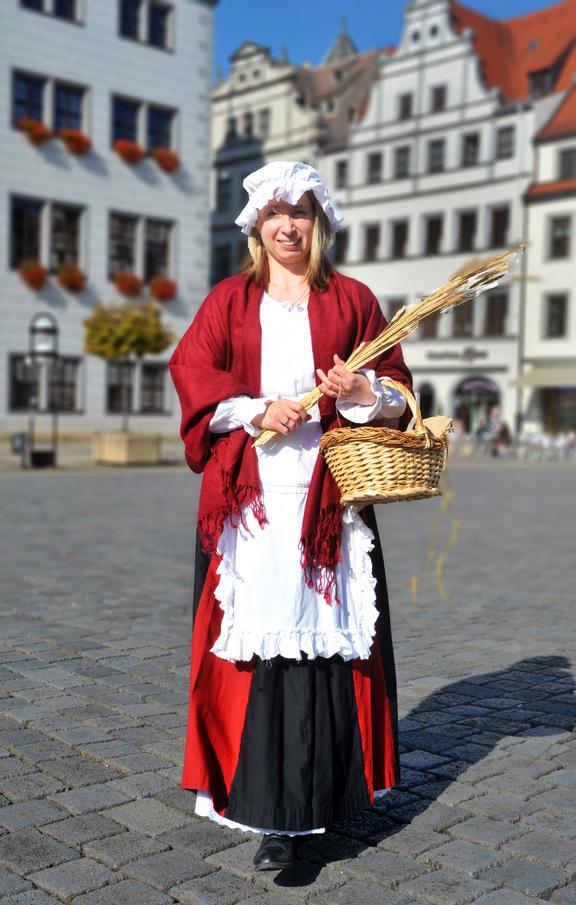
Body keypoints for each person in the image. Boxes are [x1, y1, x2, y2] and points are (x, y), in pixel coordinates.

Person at [169, 160, 413, 871]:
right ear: (256, 226)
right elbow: (194, 376)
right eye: (275, 213)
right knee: (259, 655)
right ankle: (269, 811)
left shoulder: (355, 301)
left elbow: (398, 392)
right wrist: (253, 408)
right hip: (250, 510)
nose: (287, 226)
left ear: (321, 222)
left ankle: (323, 803)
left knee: (325, 655)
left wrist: (364, 387)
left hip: (330, 507)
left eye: (300, 212)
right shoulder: (228, 302)